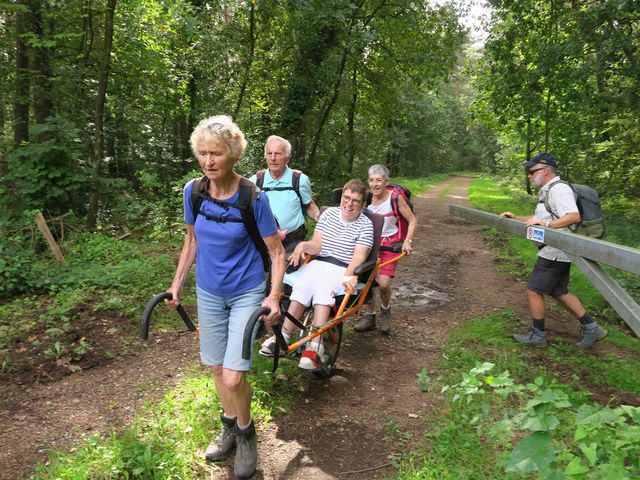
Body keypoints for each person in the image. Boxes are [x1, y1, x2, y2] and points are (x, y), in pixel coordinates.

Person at [165, 115, 285, 478]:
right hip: (209, 292)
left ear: (233, 154)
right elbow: (192, 240)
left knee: (234, 377)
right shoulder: (194, 192)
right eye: (202, 153)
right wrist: (177, 284)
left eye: (215, 153)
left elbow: (277, 252)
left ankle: (247, 434)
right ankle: (229, 425)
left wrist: (275, 297)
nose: (208, 161)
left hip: (246, 292)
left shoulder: (253, 197)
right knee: (217, 368)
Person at [260, 179, 374, 369]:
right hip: (318, 262)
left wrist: (349, 274)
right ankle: (284, 336)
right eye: (346, 198)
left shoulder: (366, 225)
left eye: (355, 201)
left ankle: (316, 344)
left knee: (323, 292)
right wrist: (303, 245)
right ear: (341, 198)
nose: (349, 204)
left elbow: (359, 256)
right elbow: (317, 244)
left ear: (363, 205)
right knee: (301, 288)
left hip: (342, 266)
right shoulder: (328, 215)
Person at [499, 152, 607, 348]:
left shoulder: (559, 190)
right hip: (556, 249)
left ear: (545, 170)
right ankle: (592, 327)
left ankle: (538, 335)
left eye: (532, 171)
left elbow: (573, 217)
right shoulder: (549, 191)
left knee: (534, 289)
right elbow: (539, 220)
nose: (529, 176)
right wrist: (516, 218)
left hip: (556, 250)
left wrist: (547, 224)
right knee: (558, 291)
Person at [354, 164, 417, 334]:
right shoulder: (366, 198)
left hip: (390, 245)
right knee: (364, 281)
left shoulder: (395, 198)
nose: (374, 184)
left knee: (383, 284)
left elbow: (412, 220)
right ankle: (370, 317)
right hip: (370, 244)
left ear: (386, 181)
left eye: (379, 180)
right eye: (371, 180)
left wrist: (407, 241)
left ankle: (386, 308)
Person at [250, 135, 320, 255]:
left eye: (278, 154)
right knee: (263, 273)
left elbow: (308, 205)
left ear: (288, 158)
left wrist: (319, 217)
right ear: (265, 156)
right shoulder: (255, 181)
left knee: (289, 273)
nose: (273, 158)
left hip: (293, 241)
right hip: (263, 241)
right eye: (269, 153)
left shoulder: (299, 180)